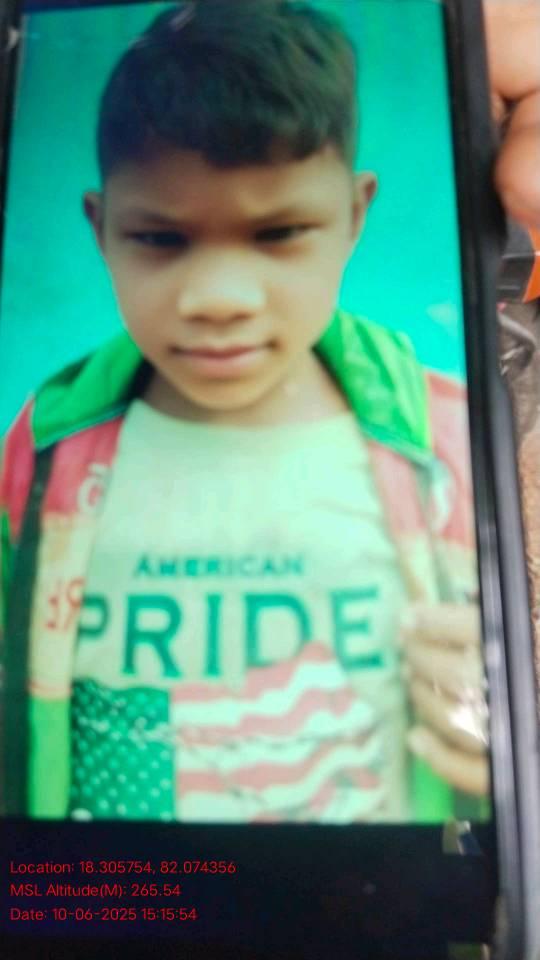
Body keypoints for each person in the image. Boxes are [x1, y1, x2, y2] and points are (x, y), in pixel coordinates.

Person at [0, 0, 525, 822]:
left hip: (375, 888)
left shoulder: (441, 435)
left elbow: (479, 708)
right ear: (100, 229)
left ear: (354, 215)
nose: (218, 298)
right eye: (161, 239)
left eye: (278, 233)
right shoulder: (47, 441)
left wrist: (494, 773)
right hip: (115, 890)